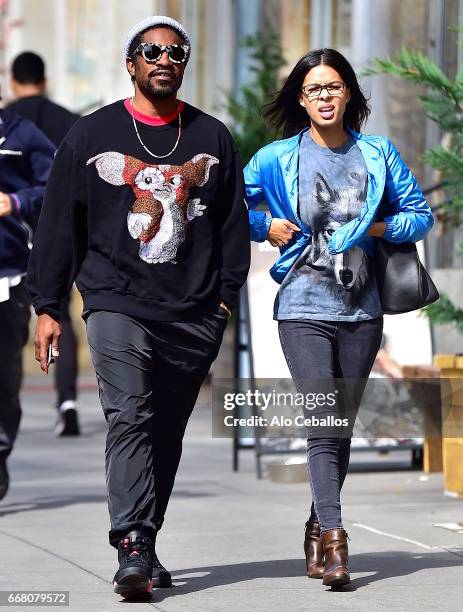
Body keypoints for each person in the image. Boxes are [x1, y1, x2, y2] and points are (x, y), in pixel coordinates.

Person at [27, 15, 250, 599]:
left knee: (167, 430)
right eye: (151, 51)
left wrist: (224, 298)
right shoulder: (89, 135)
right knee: (130, 414)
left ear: (184, 64)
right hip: (114, 300)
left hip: (194, 309)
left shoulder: (212, 138)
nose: (163, 59)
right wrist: (47, 304)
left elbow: (233, 224)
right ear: (131, 64)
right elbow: (59, 224)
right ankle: (130, 541)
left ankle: (146, 541)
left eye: (176, 52)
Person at [244, 48, 434, 588]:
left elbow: (418, 214)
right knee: (322, 424)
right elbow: (229, 205)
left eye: (332, 87)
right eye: (313, 90)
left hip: (362, 308)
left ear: (347, 92)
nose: (324, 97)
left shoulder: (377, 153)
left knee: (341, 426)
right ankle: (336, 538)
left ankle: (315, 519)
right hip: (302, 304)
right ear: (300, 100)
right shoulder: (276, 158)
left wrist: (373, 230)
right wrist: (266, 227)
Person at [7, 51, 81, 437]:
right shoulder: (67, 120)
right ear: (45, 78)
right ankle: (67, 402)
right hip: (59, 233)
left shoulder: (11, 125)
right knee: (59, 315)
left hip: (15, 235)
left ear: (13, 81)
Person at [0, 100, 55, 502]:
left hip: (8, 275)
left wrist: (15, 202)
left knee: (3, 379)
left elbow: (56, 184)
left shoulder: (20, 135)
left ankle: (0, 449)